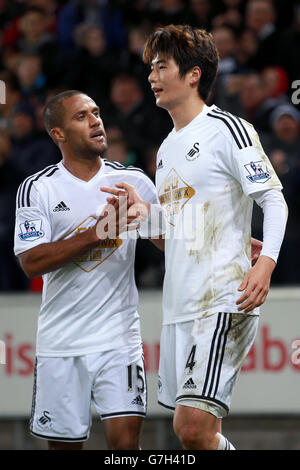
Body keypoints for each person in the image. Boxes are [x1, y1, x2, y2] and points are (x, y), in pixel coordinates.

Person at [103, 25, 288, 450]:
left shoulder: (228, 130)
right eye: (150, 67)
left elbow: (274, 201)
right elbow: (178, 234)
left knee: (192, 427)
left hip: (224, 296)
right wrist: (140, 217)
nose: (151, 76)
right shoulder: (166, 149)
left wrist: (265, 264)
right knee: (193, 435)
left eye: (162, 66)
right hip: (179, 305)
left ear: (193, 74)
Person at [13, 90, 159, 450]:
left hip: (119, 339)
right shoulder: (38, 189)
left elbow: (169, 243)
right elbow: (31, 262)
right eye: (81, 116)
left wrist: (153, 218)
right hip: (61, 344)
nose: (95, 120)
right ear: (58, 134)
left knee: (125, 448)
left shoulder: (134, 183)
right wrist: (98, 232)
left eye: (96, 112)